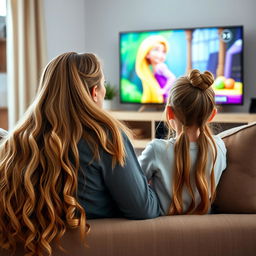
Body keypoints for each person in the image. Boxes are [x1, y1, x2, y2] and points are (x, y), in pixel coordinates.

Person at [0, 52, 160, 256]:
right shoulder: (105, 136)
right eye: (103, 84)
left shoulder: (17, 141)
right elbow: (143, 209)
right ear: (95, 92)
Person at [138, 69, 227, 216]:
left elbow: (133, 185)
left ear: (169, 112)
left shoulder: (156, 150)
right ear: (212, 115)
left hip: (164, 226)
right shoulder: (220, 147)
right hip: (205, 228)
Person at [135, 35, 176, 103]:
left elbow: (172, 77)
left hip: (167, 98)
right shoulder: (152, 71)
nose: (160, 54)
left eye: (163, 51)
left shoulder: (160, 66)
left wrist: (164, 90)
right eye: (156, 50)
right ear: (147, 54)